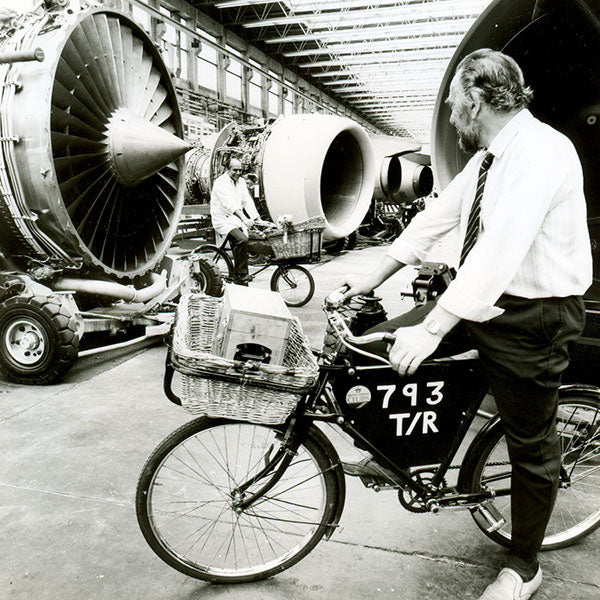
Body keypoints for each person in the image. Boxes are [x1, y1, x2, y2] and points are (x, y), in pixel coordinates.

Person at [341, 49, 592, 600]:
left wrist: (430, 329)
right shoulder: (487, 161)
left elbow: (498, 252)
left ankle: (523, 567)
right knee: (375, 346)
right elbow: (435, 219)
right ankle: (397, 454)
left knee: (531, 444)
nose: (451, 116)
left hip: (534, 313)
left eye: (455, 105)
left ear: (476, 102)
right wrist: (370, 278)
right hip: (480, 296)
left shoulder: (544, 153)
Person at [210, 158, 273, 284]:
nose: (238, 173)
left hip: (234, 219)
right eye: (235, 170)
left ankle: (239, 276)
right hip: (222, 220)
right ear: (227, 169)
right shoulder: (220, 183)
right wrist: (245, 219)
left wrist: (257, 219)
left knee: (244, 242)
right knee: (241, 240)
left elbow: (247, 201)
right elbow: (230, 205)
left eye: (240, 170)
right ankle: (240, 275)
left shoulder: (241, 182)